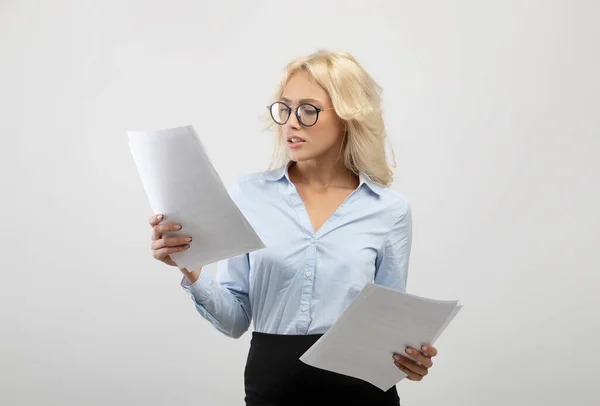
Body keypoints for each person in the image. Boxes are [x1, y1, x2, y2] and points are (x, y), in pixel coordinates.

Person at [148, 50, 438, 405]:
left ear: (348, 116)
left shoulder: (389, 210)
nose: (291, 122)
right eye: (284, 108)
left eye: (308, 110)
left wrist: (408, 359)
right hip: (272, 390)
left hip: (362, 396)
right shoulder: (248, 195)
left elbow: (391, 327)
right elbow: (235, 320)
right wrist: (191, 270)